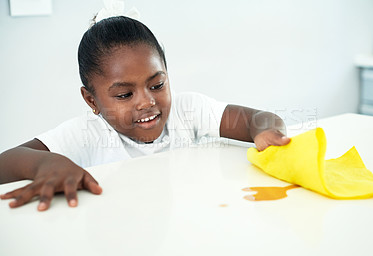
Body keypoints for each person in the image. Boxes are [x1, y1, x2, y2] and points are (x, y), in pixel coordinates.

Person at [0, 15, 290, 211]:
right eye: (125, 94)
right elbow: (6, 162)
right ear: (92, 100)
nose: (146, 102)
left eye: (157, 84)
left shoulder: (188, 109)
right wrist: (43, 165)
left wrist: (264, 130)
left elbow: (257, 118)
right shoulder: (87, 133)